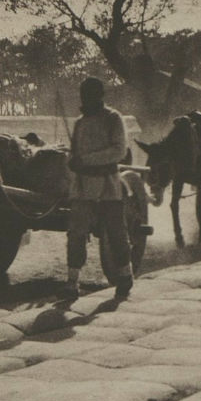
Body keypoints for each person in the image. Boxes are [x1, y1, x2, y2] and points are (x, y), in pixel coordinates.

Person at [65, 77, 133, 298]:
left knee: (116, 232)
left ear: (100, 95)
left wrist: (86, 160)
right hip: (82, 187)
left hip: (108, 185)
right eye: (84, 94)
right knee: (76, 234)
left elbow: (119, 151)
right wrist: (72, 160)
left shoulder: (113, 118)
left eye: (91, 94)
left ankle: (125, 276)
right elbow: (73, 152)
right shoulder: (79, 123)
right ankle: (72, 283)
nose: (87, 98)